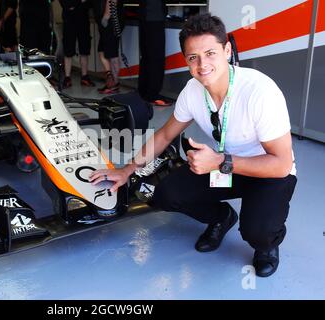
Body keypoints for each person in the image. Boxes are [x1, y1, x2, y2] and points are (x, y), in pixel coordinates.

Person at [89, 13, 297, 278]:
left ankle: (268, 245)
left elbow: (281, 164)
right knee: (166, 193)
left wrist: (221, 162)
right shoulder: (193, 90)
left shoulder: (260, 92)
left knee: (257, 230)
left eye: (210, 53)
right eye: (193, 57)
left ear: (227, 50)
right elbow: (165, 136)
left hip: (267, 172)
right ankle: (221, 217)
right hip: (224, 167)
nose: (202, 65)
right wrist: (127, 169)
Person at [138, 0, 172, 107]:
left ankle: (143, 92)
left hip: (144, 15)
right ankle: (153, 95)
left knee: (146, 57)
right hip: (154, 15)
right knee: (156, 58)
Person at [59, 0, 95, 89]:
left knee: (84, 49)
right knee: (68, 49)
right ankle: (67, 78)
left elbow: (90, 4)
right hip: (69, 21)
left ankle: (84, 77)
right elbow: (66, 4)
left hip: (83, 20)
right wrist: (80, 2)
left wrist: (75, 4)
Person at [93, 0, 123, 94]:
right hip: (106, 24)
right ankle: (110, 77)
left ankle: (115, 84)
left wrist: (106, 17)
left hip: (111, 23)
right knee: (101, 50)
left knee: (112, 54)